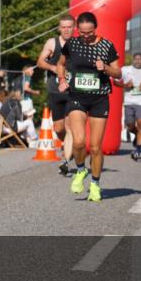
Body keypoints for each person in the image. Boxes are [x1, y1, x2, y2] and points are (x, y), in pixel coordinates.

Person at [57, 11, 122, 202]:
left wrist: (107, 69)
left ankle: (95, 183)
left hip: (99, 98)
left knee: (95, 147)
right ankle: (80, 169)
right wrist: (62, 79)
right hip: (77, 96)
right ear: (78, 29)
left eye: (89, 32)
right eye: (82, 32)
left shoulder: (106, 45)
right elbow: (61, 64)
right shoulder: (72, 44)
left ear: (96, 28)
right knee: (78, 142)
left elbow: (118, 73)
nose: (85, 36)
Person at [37, 14, 76, 175]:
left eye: (69, 26)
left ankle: (65, 161)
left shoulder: (78, 44)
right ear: (59, 28)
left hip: (73, 92)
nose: (66, 30)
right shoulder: (52, 43)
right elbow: (40, 62)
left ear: (74, 28)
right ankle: (70, 145)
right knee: (59, 129)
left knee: (69, 126)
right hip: (55, 90)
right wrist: (54, 68)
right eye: (64, 27)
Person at [120, 52, 141, 161]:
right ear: (133, 60)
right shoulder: (125, 70)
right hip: (129, 102)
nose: (138, 61)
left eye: (140, 59)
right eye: (136, 59)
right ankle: (137, 134)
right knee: (130, 125)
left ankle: (137, 150)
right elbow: (115, 82)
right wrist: (125, 85)